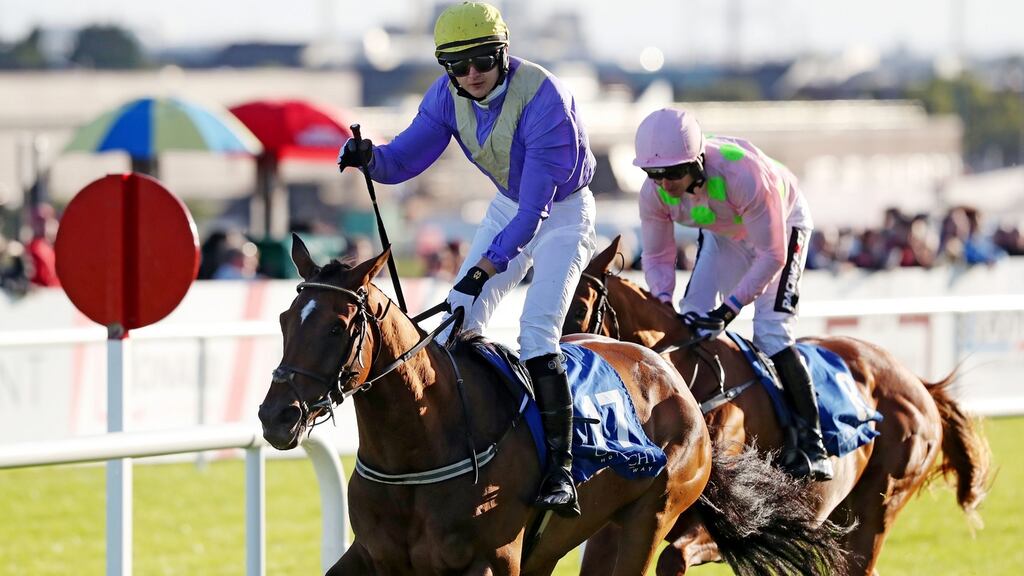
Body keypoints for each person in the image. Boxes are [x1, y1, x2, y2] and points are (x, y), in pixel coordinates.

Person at [337, 2, 596, 515]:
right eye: (458, 65)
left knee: (537, 331)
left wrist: (486, 265)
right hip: (509, 202)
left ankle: (561, 470)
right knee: (460, 317)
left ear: (502, 52)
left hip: (561, 211)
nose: (472, 74)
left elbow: (534, 212)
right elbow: (406, 157)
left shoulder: (546, 99)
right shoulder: (445, 96)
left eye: (482, 60)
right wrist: (372, 159)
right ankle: (460, 449)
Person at [634, 107, 833, 481]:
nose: (665, 184)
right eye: (653, 174)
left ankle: (813, 443)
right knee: (690, 317)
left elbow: (773, 254)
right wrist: (662, 302)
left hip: (782, 227)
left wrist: (730, 309)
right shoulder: (653, 195)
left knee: (772, 332)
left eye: (673, 172)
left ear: (696, 160)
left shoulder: (743, 175)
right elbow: (658, 255)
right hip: (726, 233)